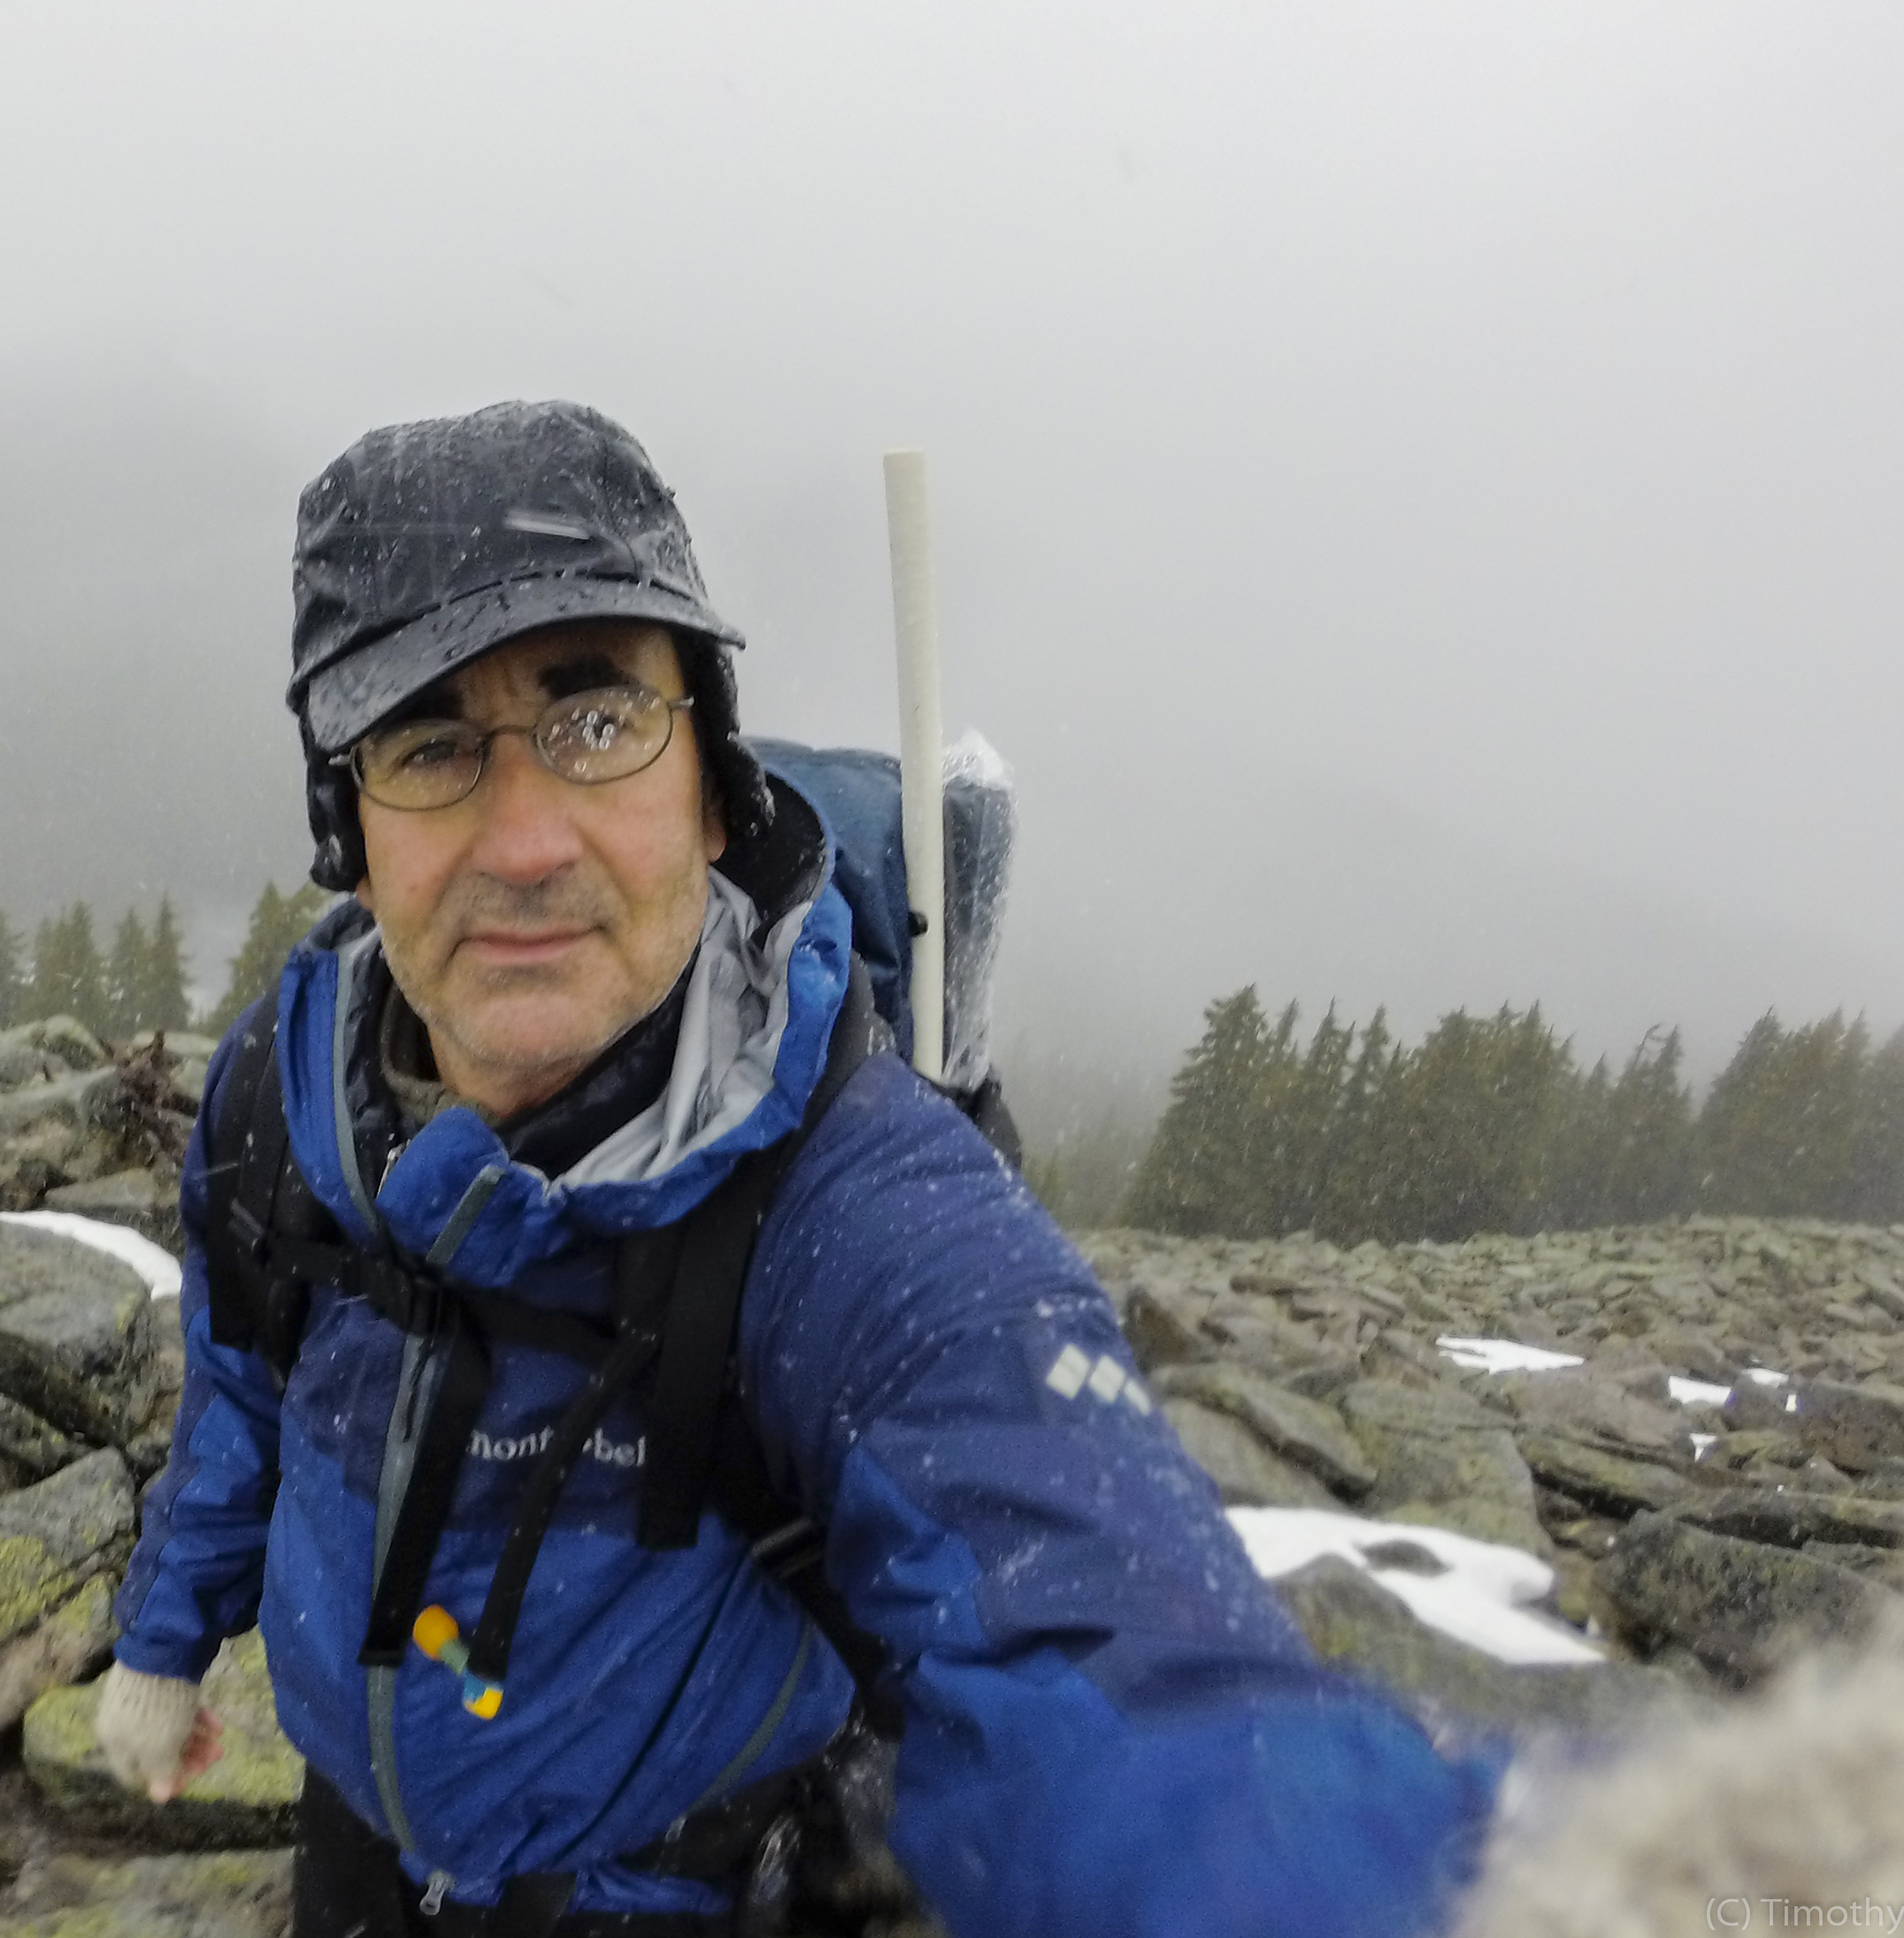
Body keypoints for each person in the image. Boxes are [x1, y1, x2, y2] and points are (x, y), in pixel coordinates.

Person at [98, 400, 1498, 1937]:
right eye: (427, 746)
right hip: (355, 1847)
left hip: (668, 1890)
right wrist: (162, 1642)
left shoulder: (847, 1206)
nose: (523, 842)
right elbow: (238, 1388)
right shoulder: (278, 1093)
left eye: (595, 721)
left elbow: (1110, 1657)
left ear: (710, 789)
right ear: (347, 833)